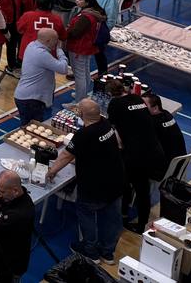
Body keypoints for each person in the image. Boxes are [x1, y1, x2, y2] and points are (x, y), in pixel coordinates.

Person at [48, 98, 124, 263]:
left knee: (86, 214)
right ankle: (107, 252)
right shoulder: (106, 124)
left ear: (81, 114)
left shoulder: (84, 134)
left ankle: (90, 251)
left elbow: (67, 155)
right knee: (112, 218)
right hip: (116, 181)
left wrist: (52, 171)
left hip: (94, 186)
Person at [105, 78, 164, 232]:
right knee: (142, 189)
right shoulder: (138, 98)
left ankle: (123, 216)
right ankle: (142, 221)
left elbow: (112, 128)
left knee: (124, 183)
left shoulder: (115, 104)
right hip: (153, 149)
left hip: (137, 154)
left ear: (111, 94)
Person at [0, 169, 36, 282]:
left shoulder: (19, 214)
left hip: (9, 265)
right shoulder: (18, 197)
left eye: (2, 192)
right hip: (4, 256)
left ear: (15, 191)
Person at [14, 28, 70, 125]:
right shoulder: (41, 54)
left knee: (28, 127)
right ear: (48, 41)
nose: (57, 42)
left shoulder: (31, 45)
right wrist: (60, 51)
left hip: (25, 96)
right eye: (55, 40)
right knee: (34, 130)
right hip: (31, 100)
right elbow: (63, 68)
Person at [66, 0, 106, 102]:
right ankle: (82, 94)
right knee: (85, 72)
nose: (76, 1)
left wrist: (67, 30)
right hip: (87, 47)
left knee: (79, 75)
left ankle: (79, 101)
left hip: (79, 48)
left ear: (87, 2)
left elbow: (75, 33)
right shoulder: (94, 12)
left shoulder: (85, 16)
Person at [145, 93, 187, 168]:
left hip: (167, 167)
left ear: (155, 108)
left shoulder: (153, 122)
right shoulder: (167, 114)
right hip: (180, 163)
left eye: (145, 106)